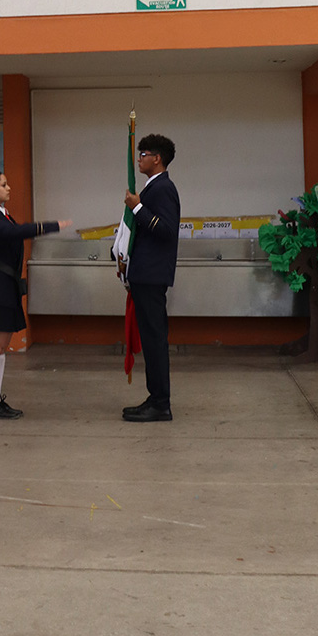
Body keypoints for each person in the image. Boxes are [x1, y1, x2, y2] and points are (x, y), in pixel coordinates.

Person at [0, 170, 70, 418]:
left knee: (1, 347)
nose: (9, 188)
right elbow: (15, 232)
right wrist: (50, 226)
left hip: (2, 286)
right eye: (4, 184)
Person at [123, 133, 181, 423]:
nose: (139, 159)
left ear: (157, 158)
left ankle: (160, 403)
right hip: (143, 273)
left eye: (143, 154)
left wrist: (137, 207)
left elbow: (167, 230)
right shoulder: (153, 187)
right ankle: (155, 397)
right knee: (150, 339)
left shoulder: (163, 188)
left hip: (152, 275)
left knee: (155, 340)